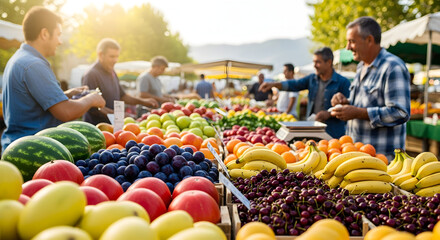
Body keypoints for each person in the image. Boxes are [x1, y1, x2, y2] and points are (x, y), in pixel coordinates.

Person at [1, 7, 105, 151]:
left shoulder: (19, 59)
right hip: (33, 150)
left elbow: (32, 103)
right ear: (44, 34)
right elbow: (66, 112)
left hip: (18, 146)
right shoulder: (34, 64)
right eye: (58, 35)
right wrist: (92, 99)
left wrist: (66, 95)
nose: (60, 41)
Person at [331, 16, 410, 158]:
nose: (348, 47)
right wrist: (345, 103)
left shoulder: (393, 67)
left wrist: (358, 112)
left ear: (369, 40)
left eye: (352, 41)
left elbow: (400, 112)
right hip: (356, 155)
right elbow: (364, 104)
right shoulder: (361, 66)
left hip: (382, 159)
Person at [259, 47, 351, 138]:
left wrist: (329, 113)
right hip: (312, 131)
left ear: (329, 62)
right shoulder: (312, 79)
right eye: (314, 62)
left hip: (334, 133)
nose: (314, 65)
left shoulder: (343, 83)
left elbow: (348, 108)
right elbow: (295, 84)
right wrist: (273, 84)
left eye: (318, 62)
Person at [82, 38, 158, 125]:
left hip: (114, 126)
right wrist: (119, 115)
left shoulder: (111, 71)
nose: (115, 60)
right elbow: (92, 107)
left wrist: (143, 101)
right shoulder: (91, 74)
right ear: (100, 55)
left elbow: (123, 96)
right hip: (97, 128)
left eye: (117, 56)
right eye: (112, 56)